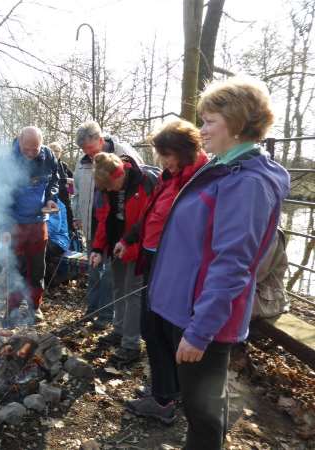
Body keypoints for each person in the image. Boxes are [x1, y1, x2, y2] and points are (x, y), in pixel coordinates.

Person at [147, 77, 290, 449]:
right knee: (201, 407)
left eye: (209, 121)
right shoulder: (225, 169)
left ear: (238, 123)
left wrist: (199, 331)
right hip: (186, 307)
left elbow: (233, 263)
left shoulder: (248, 183)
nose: (202, 130)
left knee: (203, 413)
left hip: (203, 318)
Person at [117, 120, 208, 423]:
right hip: (153, 258)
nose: (163, 161)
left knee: (160, 329)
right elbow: (151, 215)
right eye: (160, 155)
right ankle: (167, 389)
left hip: (176, 266)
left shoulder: (199, 180)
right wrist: (128, 239)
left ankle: (165, 399)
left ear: (184, 151)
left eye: (167, 154)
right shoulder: (170, 177)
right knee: (153, 328)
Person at [89, 152, 159, 365]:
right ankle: (118, 331)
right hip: (117, 244)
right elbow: (103, 220)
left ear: (118, 174)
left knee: (133, 293)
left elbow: (149, 225)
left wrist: (131, 248)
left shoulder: (144, 183)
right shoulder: (106, 188)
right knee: (118, 288)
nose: (108, 191)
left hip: (138, 247)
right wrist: (98, 249)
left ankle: (131, 344)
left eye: (110, 186)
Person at [72, 121, 143, 330]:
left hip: (117, 225)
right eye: (84, 149)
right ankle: (92, 309)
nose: (88, 153)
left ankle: (106, 315)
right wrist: (78, 216)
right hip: (93, 223)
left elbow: (136, 189)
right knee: (93, 268)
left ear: (101, 140)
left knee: (112, 276)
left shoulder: (124, 154)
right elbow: (77, 192)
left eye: (91, 148)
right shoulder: (82, 162)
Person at [0, 126, 59, 324]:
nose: (31, 153)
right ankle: (12, 309)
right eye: (26, 149)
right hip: (15, 223)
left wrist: (50, 198)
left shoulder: (48, 157)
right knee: (15, 268)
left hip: (39, 223)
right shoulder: (7, 162)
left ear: (42, 144)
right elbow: (1, 198)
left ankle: (35, 307)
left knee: (38, 268)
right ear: (19, 142)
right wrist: (4, 228)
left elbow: (55, 181)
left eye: (35, 149)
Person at [47, 142, 74, 237]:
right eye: (52, 150)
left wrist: (71, 185)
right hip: (53, 199)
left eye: (57, 151)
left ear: (60, 153)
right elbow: (51, 181)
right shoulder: (47, 165)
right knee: (56, 227)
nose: (55, 153)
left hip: (65, 199)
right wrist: (65, 181)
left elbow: (74, 180)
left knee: (69, 224)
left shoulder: (64, 166)